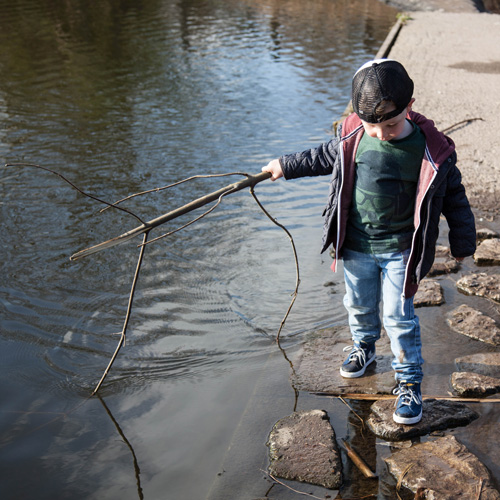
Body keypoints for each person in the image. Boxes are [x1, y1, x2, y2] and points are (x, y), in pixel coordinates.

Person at [262, 59, 476, 425]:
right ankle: (364, 348)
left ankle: (408, 383)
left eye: (390, 124)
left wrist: (463, 241)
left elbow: (455, 197)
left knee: (398, 316)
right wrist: (285, 165)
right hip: (358, 245)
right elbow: (320, 156)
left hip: (401, 251)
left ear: (410, 108)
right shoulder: (354, 137)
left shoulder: (431, 152)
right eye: (371, 125)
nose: (380, 133)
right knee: (358, 305)